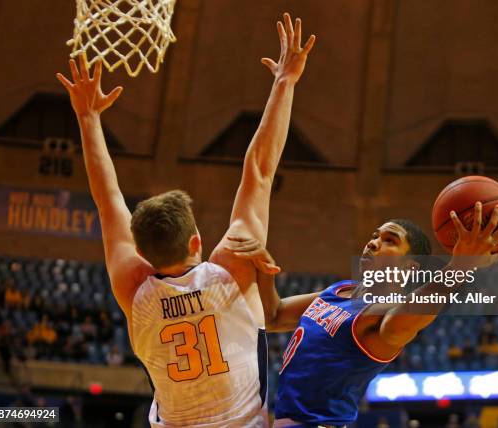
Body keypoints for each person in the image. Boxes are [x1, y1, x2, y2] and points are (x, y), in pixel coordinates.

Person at [56, 13, 315, 427]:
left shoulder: (134, 289)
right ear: (196, 240)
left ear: (141, 253)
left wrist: (87, 120)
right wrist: (286, 81)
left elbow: (107, 203)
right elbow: (259, 170)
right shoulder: (232, 268)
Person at [228, 203, 498, 427]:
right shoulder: (339, 291)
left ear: (411, 266)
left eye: (389, 240)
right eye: (374, 235)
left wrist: (459, 267)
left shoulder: (384, 315)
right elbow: (274, 316)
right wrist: (264, 270)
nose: (373, 243)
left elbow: (408, 319)